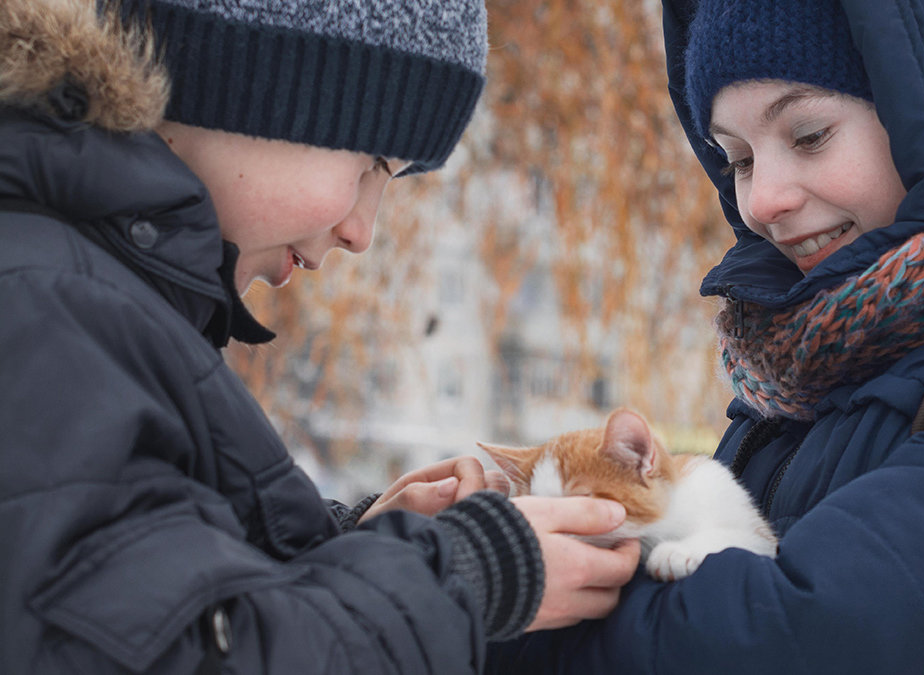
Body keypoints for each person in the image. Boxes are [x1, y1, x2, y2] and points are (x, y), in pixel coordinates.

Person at [488, 0, 924, 672]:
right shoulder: (803, 378)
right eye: (737, 158)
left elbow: (790, 641)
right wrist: (439, 546)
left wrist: (483, 594)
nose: (762, 201)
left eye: (808, 135)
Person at [0, 0, 639, 672]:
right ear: (252, 88)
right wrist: (465, 571)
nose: (362, 232)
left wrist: (349, 546)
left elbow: (139, 595)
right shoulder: (46, 307)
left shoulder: (84, 295)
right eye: (370, 165)